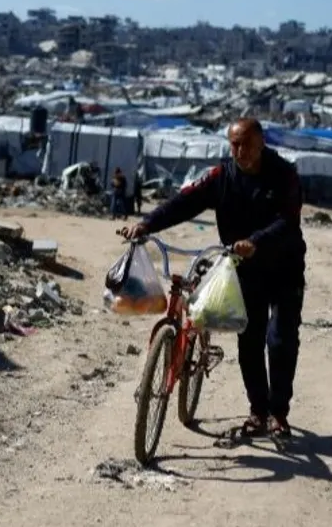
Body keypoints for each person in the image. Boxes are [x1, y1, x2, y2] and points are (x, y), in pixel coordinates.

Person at [119, 118, 306, 438]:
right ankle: (258, 412)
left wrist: (255, 242)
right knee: (250, 340)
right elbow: (185, 202)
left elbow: (287, 221)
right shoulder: (222, 176)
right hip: (244, 269)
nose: (240, 151)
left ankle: (279, 413)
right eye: (235, 144)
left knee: (280, 341)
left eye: (247, 144)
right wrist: (147, 224)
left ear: (261, 143)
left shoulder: (284, 174)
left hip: (284, 268)